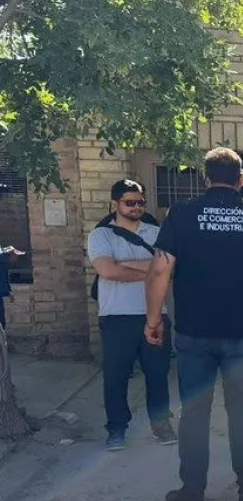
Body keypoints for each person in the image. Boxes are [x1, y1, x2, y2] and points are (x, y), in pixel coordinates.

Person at [144, 147, 243, 501]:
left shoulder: (182, 214)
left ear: (206, 178)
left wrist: (153, 320)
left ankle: (191, 491)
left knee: (194, 411)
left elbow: (160, 269)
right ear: (241, 180)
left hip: (194, 331)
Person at [87, 179, 175, 451]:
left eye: (140, 202)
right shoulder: (101, 236)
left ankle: (161, 424)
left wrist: (126, 264)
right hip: (117, 316)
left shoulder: (157, 232)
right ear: (115, 204)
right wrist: (152, 270)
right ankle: (117, 428)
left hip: (155, 314)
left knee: (158, 375)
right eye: (129, 202)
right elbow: (108, 271)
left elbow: (171, 269)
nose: (136, 207)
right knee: (116, 377)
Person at [0, 244, 25, 330]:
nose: (17, 259)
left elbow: (4, 280)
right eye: (16, 256)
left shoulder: (3, 265)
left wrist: (9, 292)